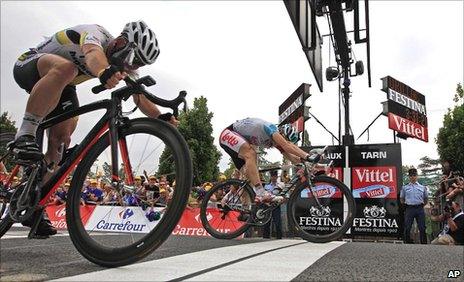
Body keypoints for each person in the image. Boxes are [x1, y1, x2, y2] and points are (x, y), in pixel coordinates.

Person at [10, 21, 180, 236]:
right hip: (32, 65)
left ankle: (32, 203)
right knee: (67, 68)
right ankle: (24, 133)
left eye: (139, 65)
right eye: (134, 59)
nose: (133, 66)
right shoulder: (95, 34)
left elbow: (140, 97)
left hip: (63, 83)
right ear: (120, 42)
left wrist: (161, 117)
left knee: (61, 142)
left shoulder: (124, 65)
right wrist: (103, 71)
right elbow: (92, 55)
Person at [219, 117, 312, 203]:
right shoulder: (272, 129)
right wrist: (308, 156)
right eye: (284, 139)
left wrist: (306, 163)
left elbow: (292, 157)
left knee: (250, 177)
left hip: (235, 143)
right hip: (228, 133)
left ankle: (246, 210)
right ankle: (261, 192)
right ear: (282, 133)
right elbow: (287, 145)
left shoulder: (274, 140)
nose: (282, 141)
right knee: (251, 154)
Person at [400, 168, 428, 244]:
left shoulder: (422, 187)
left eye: (414, 175)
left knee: (422, 227)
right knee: (407, 227)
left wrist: (422, 205)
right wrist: (405, 206)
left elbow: (426, 199)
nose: (413, 177)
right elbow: (402, 198)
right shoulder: (405, 187)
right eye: (411, 176)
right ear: (409, 177)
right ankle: (407, 243)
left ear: (417, 176)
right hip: (409, 209)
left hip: (419, 208)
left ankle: (424, 243)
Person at [262, 170, 283, 239]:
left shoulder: (281, 185)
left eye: (275, 176)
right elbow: (262, 196)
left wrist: (280, 202)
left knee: (278, 223)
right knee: (266, 223)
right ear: (270, 177)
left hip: (276, 206)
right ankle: (265, 238)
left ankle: (279, 238)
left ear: (277, 177)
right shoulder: (266, 186)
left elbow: (284, 197)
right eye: (272, 176)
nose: (274, 178)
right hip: (267, 206)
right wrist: (266, 202)